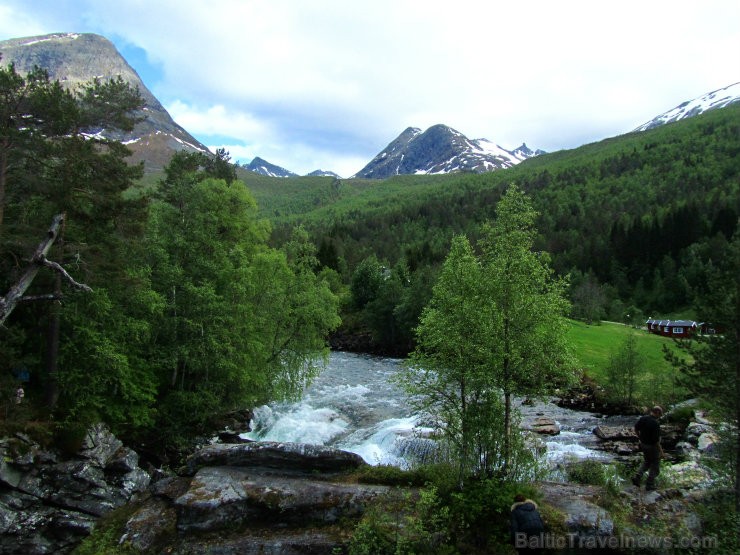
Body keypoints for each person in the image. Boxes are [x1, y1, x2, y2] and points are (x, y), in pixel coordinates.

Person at [632, 405, 663, 491]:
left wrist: (640, 437)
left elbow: (635, 428)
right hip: (652, 446)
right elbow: (656, 440)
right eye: (660, 414)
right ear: (657, 412)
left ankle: (637, 476)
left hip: (643, 444)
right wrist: (661, 452)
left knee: (647, 462)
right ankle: (649, 484)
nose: (660, 416)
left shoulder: (643, 418)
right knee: (655, 465)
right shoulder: (655, 423)